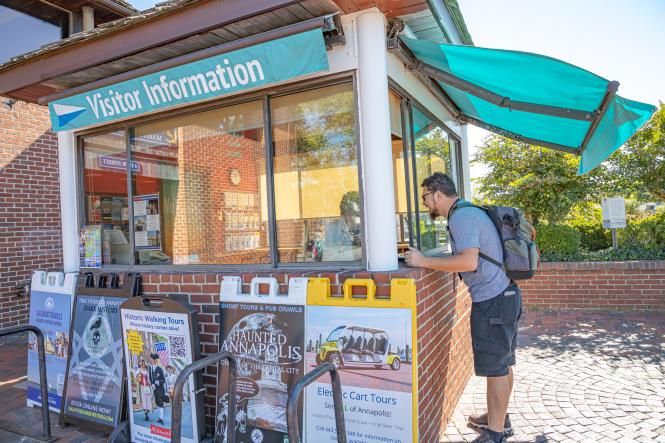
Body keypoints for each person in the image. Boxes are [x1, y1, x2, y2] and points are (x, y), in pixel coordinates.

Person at [404, 172, 521, 443]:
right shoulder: (468, 212)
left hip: (493, 300)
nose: (425, 204)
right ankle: (499, 417)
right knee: (502, 363)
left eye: (426, 198)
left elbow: (468, 262)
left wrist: (423, 261)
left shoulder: (462, 217)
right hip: (504, 296)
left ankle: (495, 433)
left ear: (438, 194)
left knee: (496, 368)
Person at [323, 191, 361, 261]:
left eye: (358, 214)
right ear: (346, 213)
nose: (357, 217)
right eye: (355, 214)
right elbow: (328, 257)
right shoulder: (333, 228)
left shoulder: (358, 228)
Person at [150, 353, 167, 425]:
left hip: (160, 389)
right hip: (154, 389)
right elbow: (150, 378)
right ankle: (160, 418)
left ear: (155, 360)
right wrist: (152, 384)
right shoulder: (150, 368)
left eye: (152, 359)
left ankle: (162, 418)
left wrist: (158, 382)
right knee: (157, 402)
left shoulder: (159, 369)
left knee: (161, 403)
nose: (151, 360)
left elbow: (163, 380)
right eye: (151, 359)